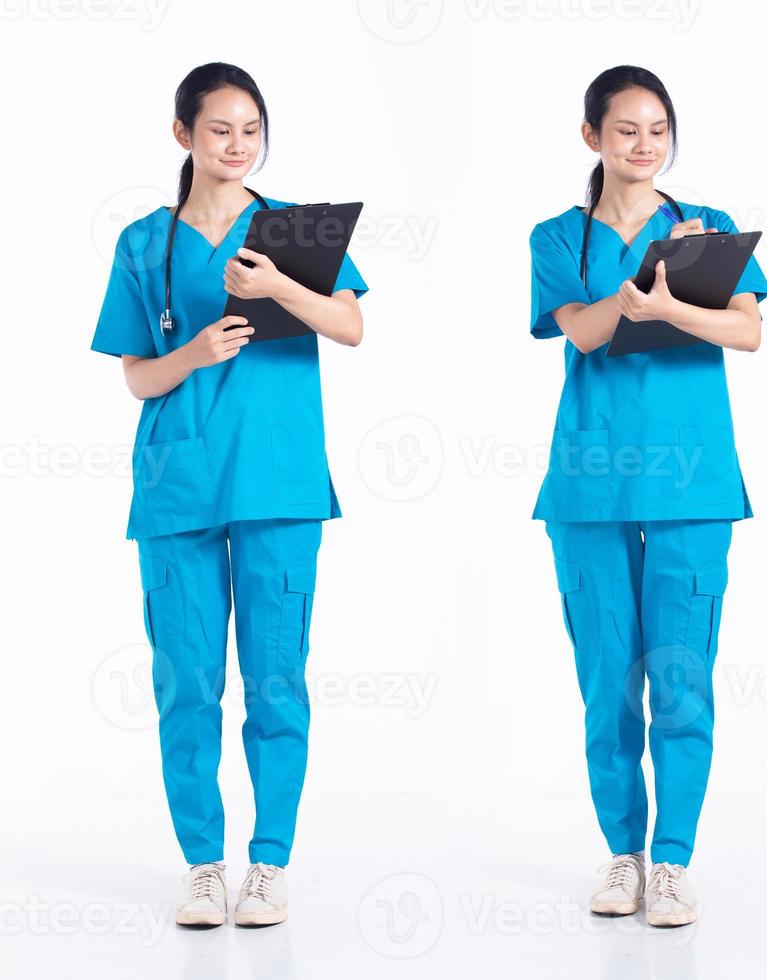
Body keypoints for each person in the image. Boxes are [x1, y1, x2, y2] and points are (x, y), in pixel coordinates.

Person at [90, 62, 368, 927]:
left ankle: (269, 862)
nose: (238, 144)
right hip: (179, 485)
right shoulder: (145, 242)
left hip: (278, 481)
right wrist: (197, 352)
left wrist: (279, 287)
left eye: (252, 129)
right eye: (220, 129)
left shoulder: (293, 232)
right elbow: (138, 376)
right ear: (184, 136)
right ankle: (204, 865)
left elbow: (352, 325)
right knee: (187, 680)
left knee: (276, 678)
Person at [528, 65, 767, 927]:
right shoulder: (560, 238)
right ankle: (623, 854)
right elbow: (583, 331)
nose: (644, 145)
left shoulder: (706, 234)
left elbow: (746, 331)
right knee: (606, 680)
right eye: (625, 129)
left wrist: (678, 300)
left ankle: (671, 862)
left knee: (679, 680)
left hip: (693, 483)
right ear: (591, 136)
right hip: (590, 483)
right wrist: (635, 302)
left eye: (658, 129)